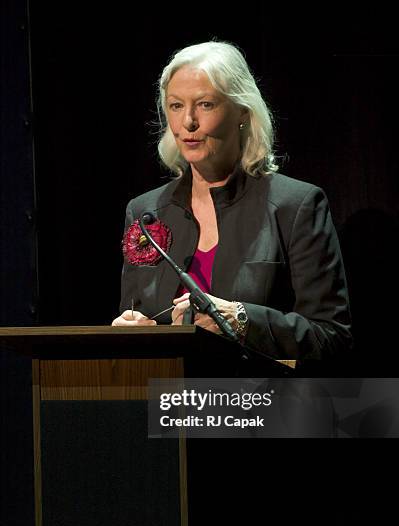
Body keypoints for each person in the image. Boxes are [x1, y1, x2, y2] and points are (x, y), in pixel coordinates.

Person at [112, 40, 352, 362]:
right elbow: (134, 314)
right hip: (168, 404)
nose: (188, 123)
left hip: (257, 405)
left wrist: (241, 320)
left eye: (206, 105)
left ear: (241, 111)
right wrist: (132, 331)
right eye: (176, 106)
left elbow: (331, 338)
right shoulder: (145, 213)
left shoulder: (297, 206)